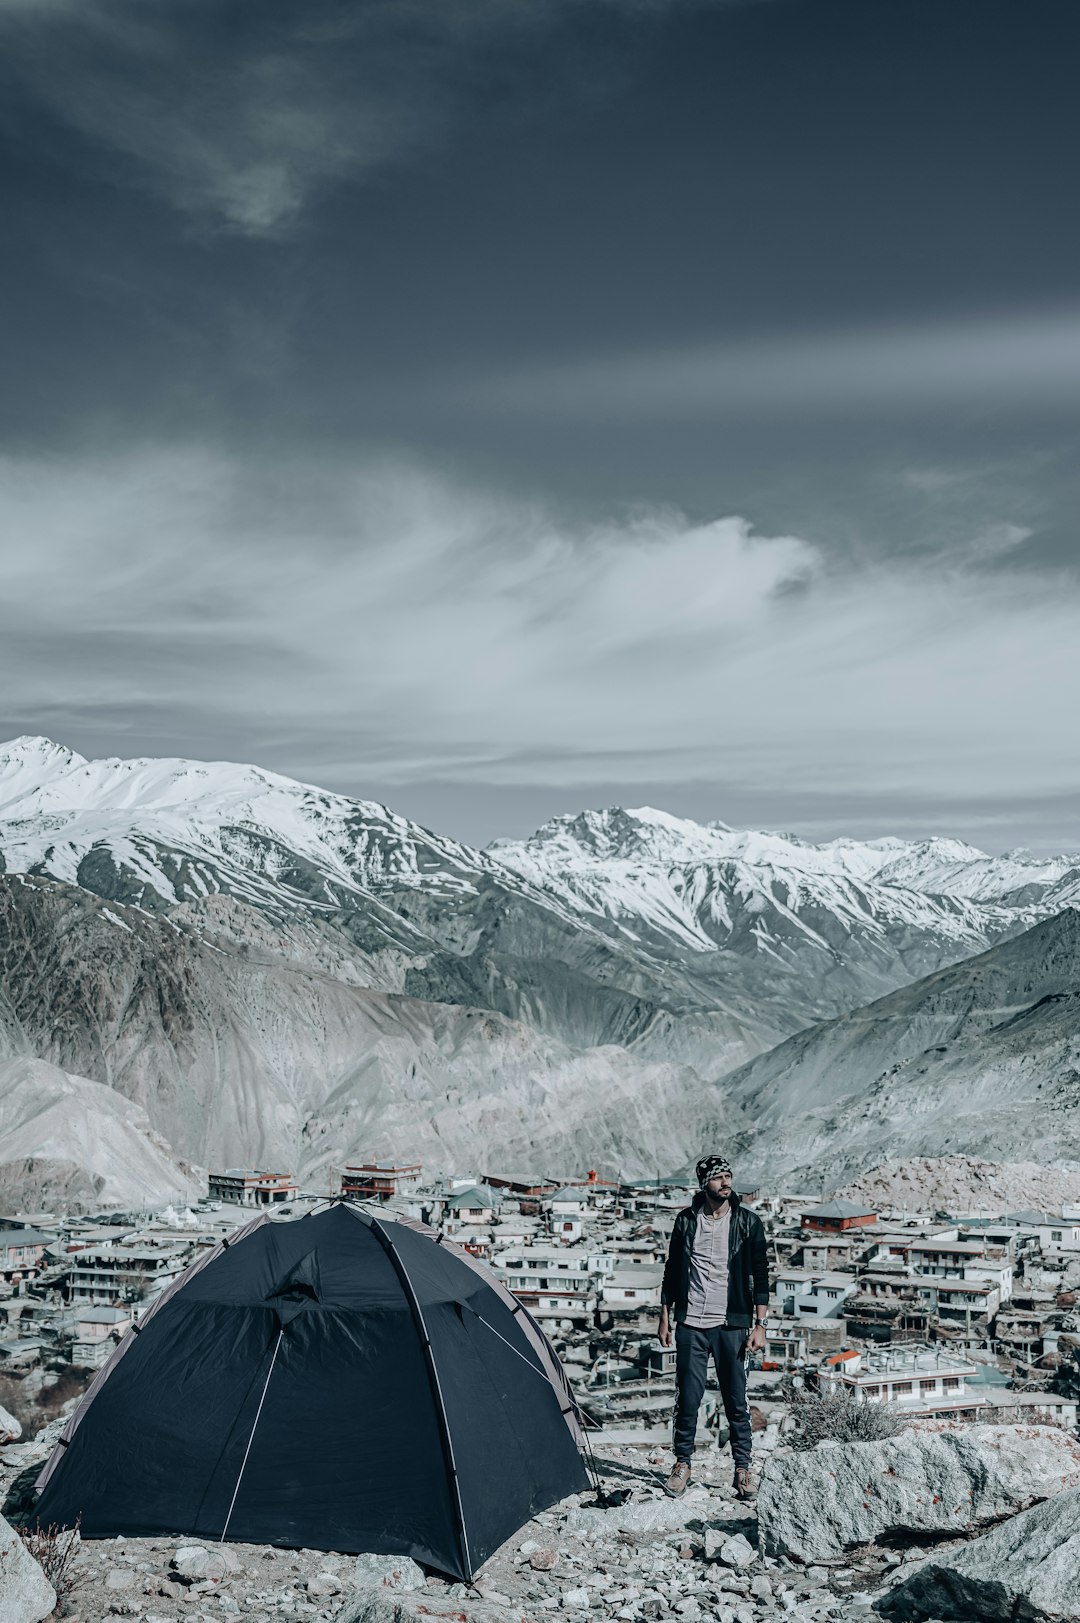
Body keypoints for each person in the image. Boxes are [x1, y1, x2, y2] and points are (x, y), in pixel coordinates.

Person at [658, 1153, 769, 1500]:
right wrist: (664, 1315)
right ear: (704, 1183)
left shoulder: (748, 1223)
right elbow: (672, 1268)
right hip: (690, 1322)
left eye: (729, 1176)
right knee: (688, 1398)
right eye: (719, 1178)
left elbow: (761, 1275)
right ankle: (682, 1464)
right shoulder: (687, 1220)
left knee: (736, 1399)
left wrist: (760, 1324)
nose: (726, 1183)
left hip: (731, 1323)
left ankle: (742, 1470)